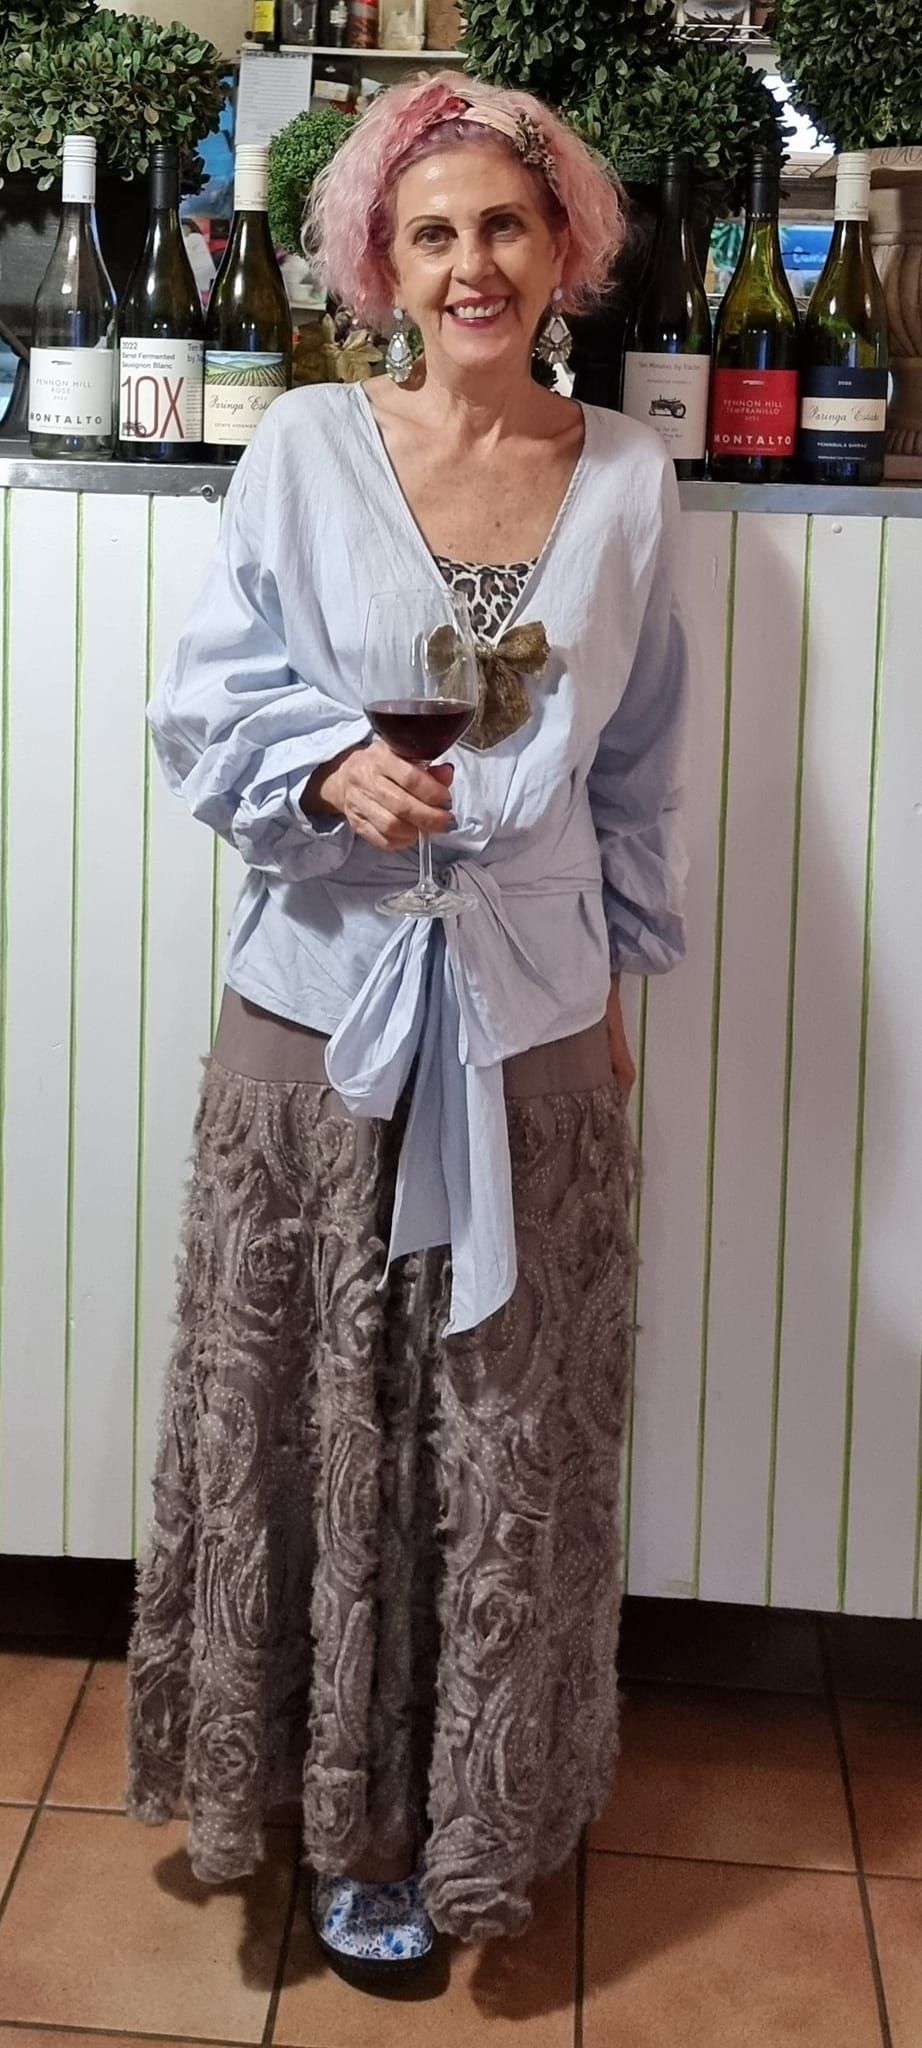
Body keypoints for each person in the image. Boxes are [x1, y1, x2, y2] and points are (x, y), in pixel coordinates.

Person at [126, 69, 689, 1982]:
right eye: (431, 231)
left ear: (564, 255)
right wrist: (326, 770)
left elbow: (635, 768)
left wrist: (608, 985)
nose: (470, 264)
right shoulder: (295, 445)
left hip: (529, 1019)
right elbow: (206, 707)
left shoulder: (628, 477)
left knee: (498, 1439)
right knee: (314, 1422)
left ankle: (479, 1814)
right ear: (380, 256)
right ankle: (333, 1826)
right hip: (316, 1010)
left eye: (504, 228)